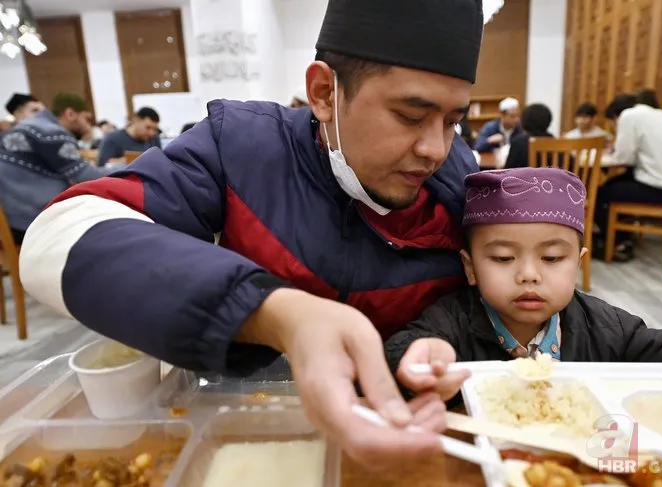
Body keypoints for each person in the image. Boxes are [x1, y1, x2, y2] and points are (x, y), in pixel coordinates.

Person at [18, 0, 484, 470]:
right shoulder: (244, 148)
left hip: (405, 441)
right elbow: (58, 234)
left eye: (453, 121)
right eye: (410, 116)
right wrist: (276, 312)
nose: (434, 150)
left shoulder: (461, 189)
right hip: (248, 429)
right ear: (324, 93)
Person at [385, 167, 662, 404]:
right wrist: (420, 359)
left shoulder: (606, 330)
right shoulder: (452, 321)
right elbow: (406, 347)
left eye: (551, 258)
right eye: (504, 258)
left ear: (577, 265)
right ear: (470, 267)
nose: (529, 275)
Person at [0, 93, 120, 245]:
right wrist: (127, 167)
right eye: (86, 119)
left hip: (11, 218)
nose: (89, 126)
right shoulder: (51, 133)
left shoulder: (29, 126)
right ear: (70, 114)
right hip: (29, 224)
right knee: (103, 228)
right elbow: (87, 176)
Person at [595, 93, 662, 262]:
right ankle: (619, 236)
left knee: (598, 194)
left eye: (614, 124)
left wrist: (605, 155)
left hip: (657, 188)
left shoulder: (629, 116)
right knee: (616, 184)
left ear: (617, 116)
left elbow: (623, 158)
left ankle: (618, 243)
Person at [97, 107, 162, 166]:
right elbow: (102, 166)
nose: (151, 133)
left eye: (154, 129)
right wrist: (129, 160)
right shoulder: (112, 139)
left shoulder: (154, 138)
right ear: (136, 120)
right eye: (148, 127)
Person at [504, 103, 554, 169]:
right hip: (552, 179)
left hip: (524, 179)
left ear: (524, 120)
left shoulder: (518, 142)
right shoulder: (555, 141)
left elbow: (508, 171)